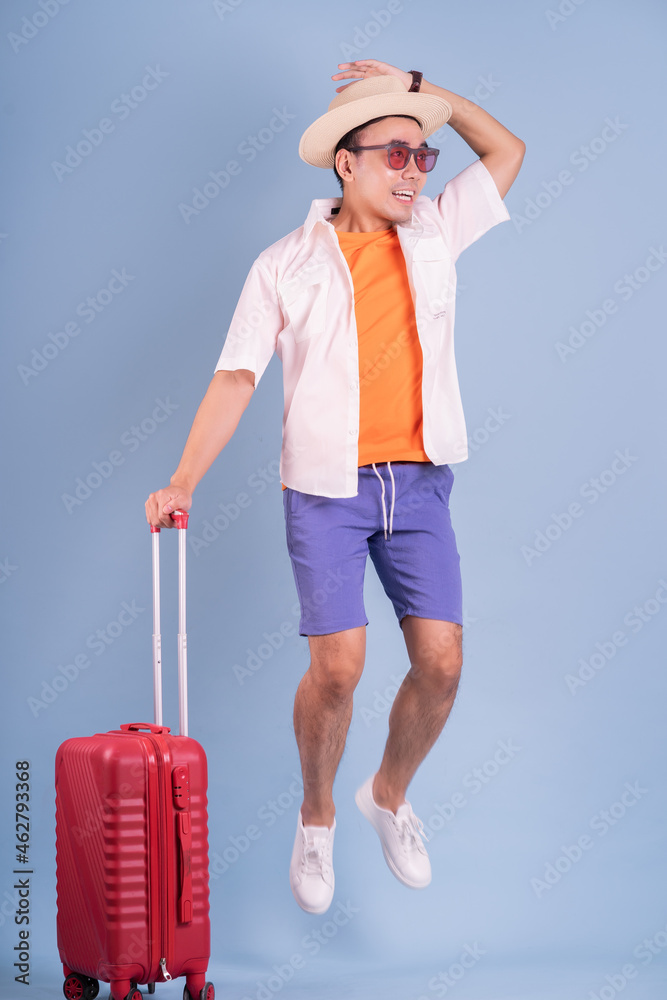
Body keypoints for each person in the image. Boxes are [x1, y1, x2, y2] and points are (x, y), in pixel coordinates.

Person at [146, 58, 525, 915]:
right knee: (339, 670)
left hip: (420, 485)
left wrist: (429, 94)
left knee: (442, 664)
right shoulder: (285, 264)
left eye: (423, 155)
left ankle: (385, 796)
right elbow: (237, 376)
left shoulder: (435, 231)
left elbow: (506, 151)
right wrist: (182, 480)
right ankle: (315, 816)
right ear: (344, 162)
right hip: (325, 490)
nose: (414, 170)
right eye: (394, 153)